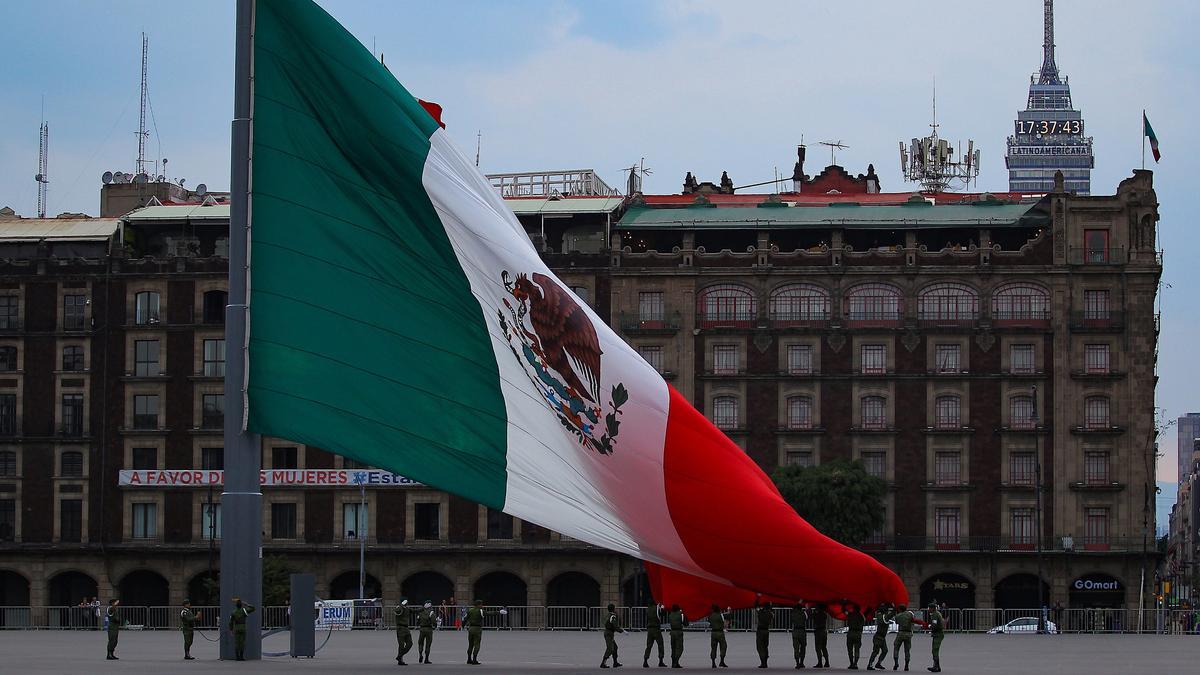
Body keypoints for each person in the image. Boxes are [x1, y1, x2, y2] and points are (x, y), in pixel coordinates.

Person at [890, 604, 927, 672]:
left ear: (900, 609)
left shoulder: (898, 616)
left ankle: (896, 663)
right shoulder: (909, 614)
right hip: (908, 633)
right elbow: (914, 620)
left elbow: (896, 622)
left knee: (896, 648)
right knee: (907, 650)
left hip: (900, 633)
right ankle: (906, 665)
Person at [228, 596, 257, 661]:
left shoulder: (233, 612)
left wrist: (231, 630)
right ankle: (241, 657)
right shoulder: (244, 611)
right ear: (241, 605)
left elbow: (231, 622)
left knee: (237, 643)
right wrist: (246, 604)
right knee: (242, 643)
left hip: (237, 628)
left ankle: (237, 657)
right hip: (243, 628)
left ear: (236, 606)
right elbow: (253, 608)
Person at [865, 603, 892, 671]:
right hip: (879, 637)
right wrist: (894, 606)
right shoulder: (884, 617)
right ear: (885, 611)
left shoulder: (880, 615)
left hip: (881, 637)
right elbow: (892, 614)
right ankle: (870, 664)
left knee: (885, 651)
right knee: (875, 651)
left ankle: (878, 663)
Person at [602, 603, 625, 669]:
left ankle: (615, 662)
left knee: (615, 647)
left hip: (608, 632)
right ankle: (603, 663)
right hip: (609, 633)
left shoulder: (608, 615)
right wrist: (622, 631)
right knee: (610, 648)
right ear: (613, 609)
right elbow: (615, 626)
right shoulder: (613, 616)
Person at [644, 601, 666, 668]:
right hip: (656, 629)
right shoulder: (656, 608)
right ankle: (660, 660)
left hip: (650, 629)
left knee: (649, 646)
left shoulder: (647, 609)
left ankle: (645, 660)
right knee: (660, 644)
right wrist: (662, 608)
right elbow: (662, 614)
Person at [844, 603, 865, 670]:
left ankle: (851, 663)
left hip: (850, 633)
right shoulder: (861, 616)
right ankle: (855, 663)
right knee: (857, 649)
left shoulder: (850, 614)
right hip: (858, 633)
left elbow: (844, 611)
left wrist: (844, 603)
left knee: (850, 650)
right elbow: (863, 623)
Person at [925, 602, 944, 673]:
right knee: (935, 650)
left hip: (938, 634)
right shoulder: (937, 613)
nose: (928, 609)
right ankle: (937, 667)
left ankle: (935, 667)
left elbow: (934, 625)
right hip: (938, 634)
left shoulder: (935, 615)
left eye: (929, 608)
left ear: (932, 608)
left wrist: (929, 626)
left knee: (935, 650)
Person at [708, 603, 728, 669]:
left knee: (713, 647)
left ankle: (713, 663)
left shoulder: (710, 615)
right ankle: (721, 661)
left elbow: (710, 622)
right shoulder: (721, 615)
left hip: (713, 633)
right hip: (720, 632)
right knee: (723, 646)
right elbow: (724, 624)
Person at [465, 599, 485, 665]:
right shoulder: (480, 611)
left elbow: (465, 618)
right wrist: (498, 612)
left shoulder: (470, 610)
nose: (482, 606)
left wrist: (463, 625)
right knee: (477, 644)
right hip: (477, 629)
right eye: (481, 604)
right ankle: (474, 659)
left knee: (470, 644)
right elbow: (489, 613)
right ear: (478, 605)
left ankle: (468, 659)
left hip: (470, 628)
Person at [755, 599, 773, 668]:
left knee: (760, 647)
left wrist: (758, 598)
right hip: (766, 631)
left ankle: (763, 663)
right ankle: (765, 662)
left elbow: (755, 606)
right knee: (765, 647)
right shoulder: (770, 614)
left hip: (760, 631)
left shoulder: (761, 612)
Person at [668, 604, 687, 668]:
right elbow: (685, 624)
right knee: (680, 648)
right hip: (678, 632)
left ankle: (673, 662)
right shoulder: (681, 614)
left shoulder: (670, 615)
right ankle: (676, 661)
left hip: (672, 632)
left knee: (673, 648)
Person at [394, 598, 413, 666]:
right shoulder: (399, 608)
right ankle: (400, 660)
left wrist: (423, 609)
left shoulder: (407, 609)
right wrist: (401, 605)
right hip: (400, 628)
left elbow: (414, 611)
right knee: (401, 645)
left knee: (410, 644)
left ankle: (399, 656)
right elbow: (396, 611)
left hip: (406, 628)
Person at [790, 602, 809, 669]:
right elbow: (807, 615)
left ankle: (797, 663)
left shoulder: (793, 614)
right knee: (803, 648)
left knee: (796, 648)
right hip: (802, 632)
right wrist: (806, 607)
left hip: (795, 631)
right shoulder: (804, 613)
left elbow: (792, 613)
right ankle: (801, 662)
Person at [811, 604, 829, 668]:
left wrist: (810, 609)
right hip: (824, 631)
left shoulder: (817, 615)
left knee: (818, 647)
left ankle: (820, 663)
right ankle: (827, 662)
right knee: (824, 647)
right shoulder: (824, 614)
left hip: (818, 632)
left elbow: (811, 616)